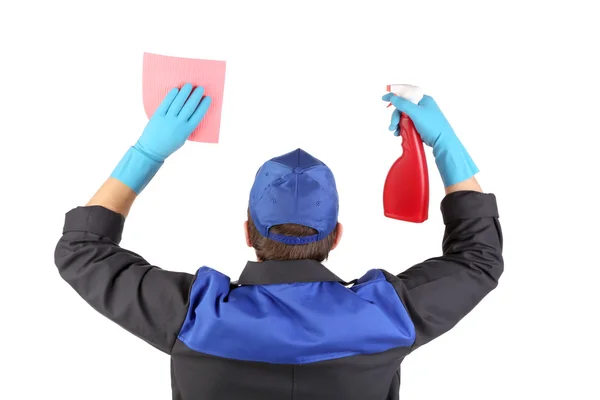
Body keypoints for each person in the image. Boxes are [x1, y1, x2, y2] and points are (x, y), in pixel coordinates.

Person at [55, 83, 503, 400]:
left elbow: (82, 250)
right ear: (337, 236)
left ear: (247, 233)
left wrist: (147, 153)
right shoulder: (386, 316)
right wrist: (443, 143)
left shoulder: (195, 317)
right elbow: (478, 259)